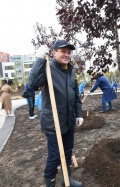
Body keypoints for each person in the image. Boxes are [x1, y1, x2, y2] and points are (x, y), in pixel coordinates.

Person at [27, 40, 84, 186]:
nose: (66, 55)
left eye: (69, 52)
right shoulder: (47, 68)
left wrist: (79, 114)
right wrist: (40, 59)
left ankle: (67, 179)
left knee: (68, 152)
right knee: (55, 156)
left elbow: (76, 96)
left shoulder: (71, 71)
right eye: (63, 51)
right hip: (53, 122)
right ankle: (50, 183)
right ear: (54, 53)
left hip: (68, 120)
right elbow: (32, 84)